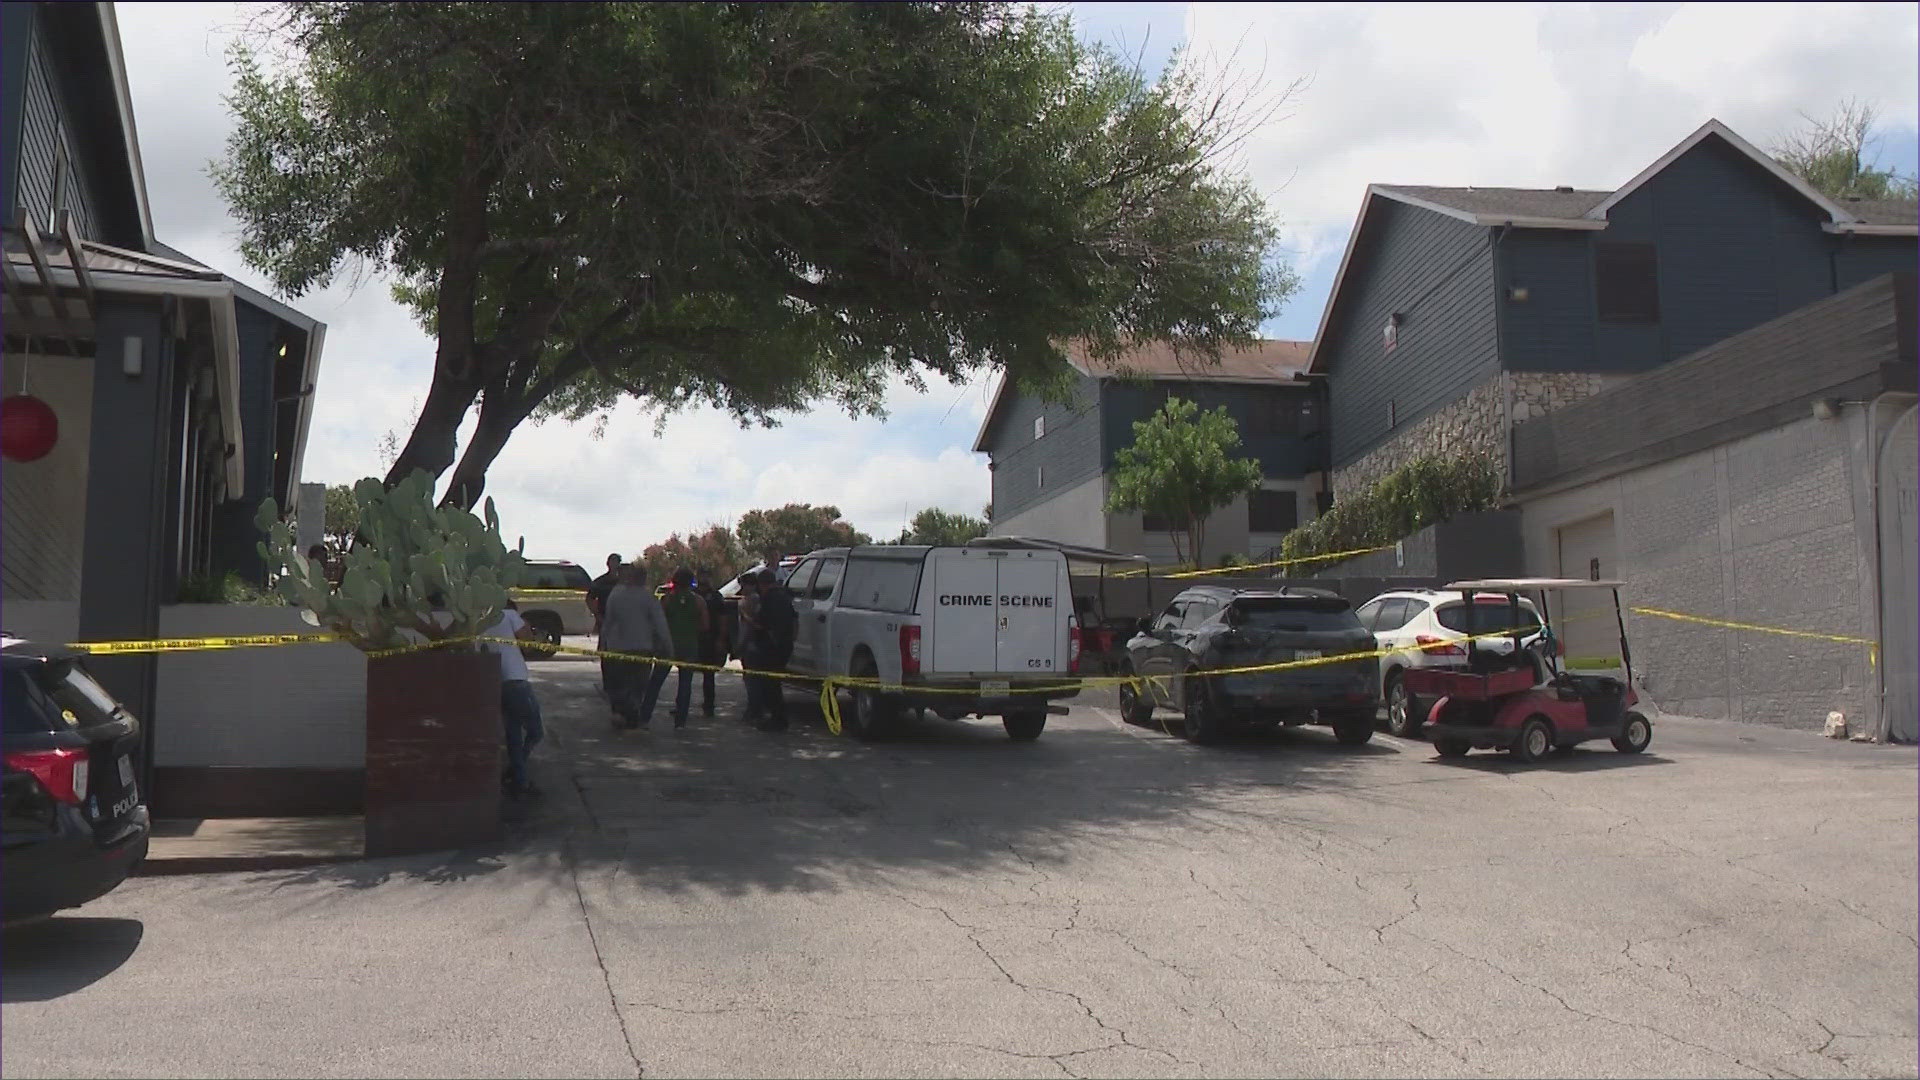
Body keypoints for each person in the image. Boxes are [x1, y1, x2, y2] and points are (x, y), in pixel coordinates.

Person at [598, 562, 674, 729]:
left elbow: (608, 622)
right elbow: (660, 625)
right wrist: (668, 646)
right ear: (643, 578)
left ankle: (619, 713)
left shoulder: (616, 595)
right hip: (642, 648)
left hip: (617, 648)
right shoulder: (648, 598)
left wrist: (604, 643)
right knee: (637, 685)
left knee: (619, 683)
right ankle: (632, 716)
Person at [485, 600, 544, 799]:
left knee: (513, 734)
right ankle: (515, 772)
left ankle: (518, 778)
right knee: (535, 731)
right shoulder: (510, 615)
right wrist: (528, 629)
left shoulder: (479, 620)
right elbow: (528, 646)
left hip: (495, 681)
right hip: (516, 680)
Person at [743, 570, 799, 732]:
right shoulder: (785, 597)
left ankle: (778, 719)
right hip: (785, 645)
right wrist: (791, 640)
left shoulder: (768, 599)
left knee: (770, 685)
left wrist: (746, 616)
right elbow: (795, 620)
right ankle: (778, 717)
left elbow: (760, 624)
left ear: (762, 584)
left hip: (770, 647)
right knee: (774, 682)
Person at [659, 567, 710, 729]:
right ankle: (681, 720)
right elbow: (705, 625)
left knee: (656, 681)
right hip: (689, 646)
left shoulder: (666, 600)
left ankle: (644, 715)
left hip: (669, 645)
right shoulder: (699, 601)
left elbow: (659, 622)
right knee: (685, 683)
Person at [695, 569, 728, 717]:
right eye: (701, 575)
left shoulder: (716, 597)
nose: (703, 579)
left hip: (710, 638)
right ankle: (681, 704)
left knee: (708, 675)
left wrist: (721, 639)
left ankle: (709, 705)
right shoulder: (692, 595)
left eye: (706, 576)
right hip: (693, 638)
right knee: (686, 672)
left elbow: (723, 619)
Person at [586, 553, 623, 635]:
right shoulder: (600, 582)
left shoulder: (624, 582)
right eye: (612, 561)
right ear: (607, 563)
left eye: (617, 562)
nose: (614, 564)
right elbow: (589, 598)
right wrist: (597, 615)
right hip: (604, 617)